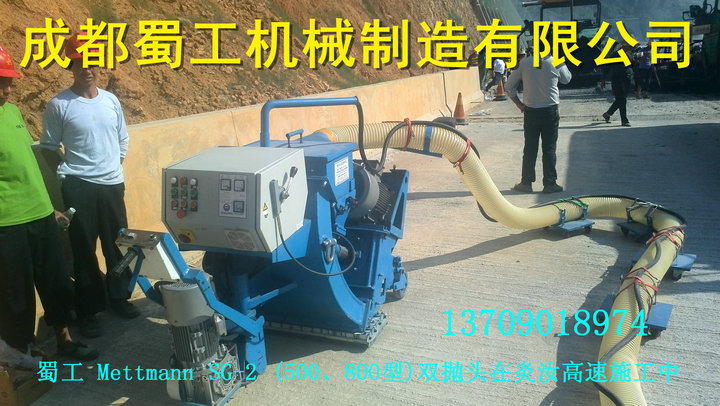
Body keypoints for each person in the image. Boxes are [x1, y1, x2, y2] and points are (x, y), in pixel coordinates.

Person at [0, 45, 97, 360]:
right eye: (1, 82)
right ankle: (23, 354)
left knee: (56, 282)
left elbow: (27, 166)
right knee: (16, 294)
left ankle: (64, 341)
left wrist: (49, 206)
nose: (8, 89)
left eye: (9, 81)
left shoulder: (12, 112)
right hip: (7, 224)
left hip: (40, 215)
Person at [40, 33, 137, 339]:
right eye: (80, 62)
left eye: (93, 62)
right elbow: (48, 148)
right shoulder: (60, 105)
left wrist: (112, 166)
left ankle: (119, 298)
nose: (87, 68)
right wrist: (68, 174)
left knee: (117, 245)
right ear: (71, 66)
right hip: (79, 186)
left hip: (112, 185)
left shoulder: (111, 101)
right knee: (83, 251)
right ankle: (89, 311)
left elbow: (122, 139)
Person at [505, 50, 572, 193]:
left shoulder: (524, 63)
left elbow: (509, 86)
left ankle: (526, 183)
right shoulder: (555, 61)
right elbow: (567, 79)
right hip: (550, 111)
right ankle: (550, 183)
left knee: (530, 148)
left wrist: (519, 104)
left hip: (531, 111)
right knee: (549, 148)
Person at [602, 43, 634, 127]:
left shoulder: (629, 54)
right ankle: (624, 120)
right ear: (623, 46)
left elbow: (632, 64)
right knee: (622, 100)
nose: (631, 47)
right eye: (629, 46)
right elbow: (607, 67)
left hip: (627, 79)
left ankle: (608, 114)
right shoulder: (615, 55)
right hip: (617, 80)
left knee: (621, 100)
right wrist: (603, 79)